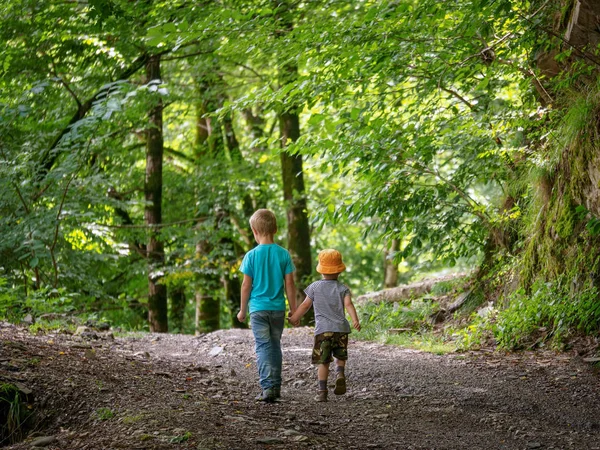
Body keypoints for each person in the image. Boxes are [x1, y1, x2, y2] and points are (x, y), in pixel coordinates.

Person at [237, 209, 297, 403]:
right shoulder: (283, 254)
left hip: (258, 310)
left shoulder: (251, 256)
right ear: (276, 229)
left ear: (254, 231)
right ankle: (276, 386)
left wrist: (242, 309)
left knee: (263, 346)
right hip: (278, 309)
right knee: (275, 345)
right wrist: (294, 309)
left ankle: (267, 387)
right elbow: (290, 284)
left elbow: (246, 285)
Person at [288, 248, 361, 402]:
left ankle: (322, 392)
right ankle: (340, 373)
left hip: (323, 331)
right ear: (339, 270)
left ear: (321, 270)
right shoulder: (343, 288)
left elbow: (305, 306)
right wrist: (355, 320)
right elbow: (348, 305)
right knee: (340, 355)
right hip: (341, 329)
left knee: (323, 361)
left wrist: (294, 317)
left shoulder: (314, 287)